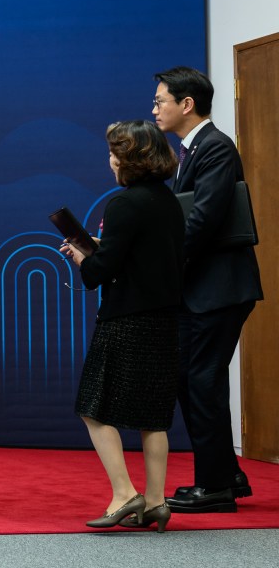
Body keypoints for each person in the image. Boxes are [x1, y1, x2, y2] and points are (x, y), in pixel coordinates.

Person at [61, 120, 184, 532]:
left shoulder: (123, 204)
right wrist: (99, 253)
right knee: (154, 418)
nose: (109, 159)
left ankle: (123, 493)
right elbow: (138, 258)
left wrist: (81, 256)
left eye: (115, 152)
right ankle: (155, 500)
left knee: (92, 408)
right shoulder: (169, 202)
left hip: (125, 321)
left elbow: (100, 272)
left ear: (130, 159)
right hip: (165, 320)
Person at [152, 66, 263, 513]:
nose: (155, 109)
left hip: (220, 290)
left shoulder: (215, 147)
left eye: (160, 101)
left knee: (202, 380)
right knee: (191, 378)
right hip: (201, 289)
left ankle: (214, 486)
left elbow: (205, 219)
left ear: (187, 104)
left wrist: (158, 257)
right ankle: (226, 475)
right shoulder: (191, 150)